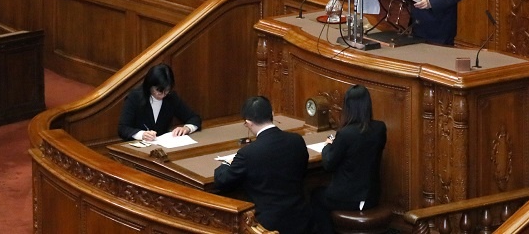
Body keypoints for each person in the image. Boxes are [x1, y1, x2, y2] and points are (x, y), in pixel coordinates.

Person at [213, 96, 311, 234]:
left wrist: (226, 163)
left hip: (268, 224)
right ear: (272, 114)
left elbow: (222, 181)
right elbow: (303, 171)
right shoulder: (297, 140)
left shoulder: (247, 153)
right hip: (301, 218)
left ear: (248, 123)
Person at [310, 85, 388, 234]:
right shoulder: (380, 128)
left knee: (315, 196)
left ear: (347, 107)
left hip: (350, 198)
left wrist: (328, 144)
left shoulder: (345, 134)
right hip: (372, 195)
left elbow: (328, 164)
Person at [117, 64, 201, 142]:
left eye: (167, 91)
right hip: (138, 146)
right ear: (150, 85)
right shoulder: (135, 97)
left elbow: (194, 118)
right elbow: (123, 128)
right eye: (159, 91)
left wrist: (187, 128)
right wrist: (142, 134)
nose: (163, 95)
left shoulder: (171, 97)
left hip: (162, 146)